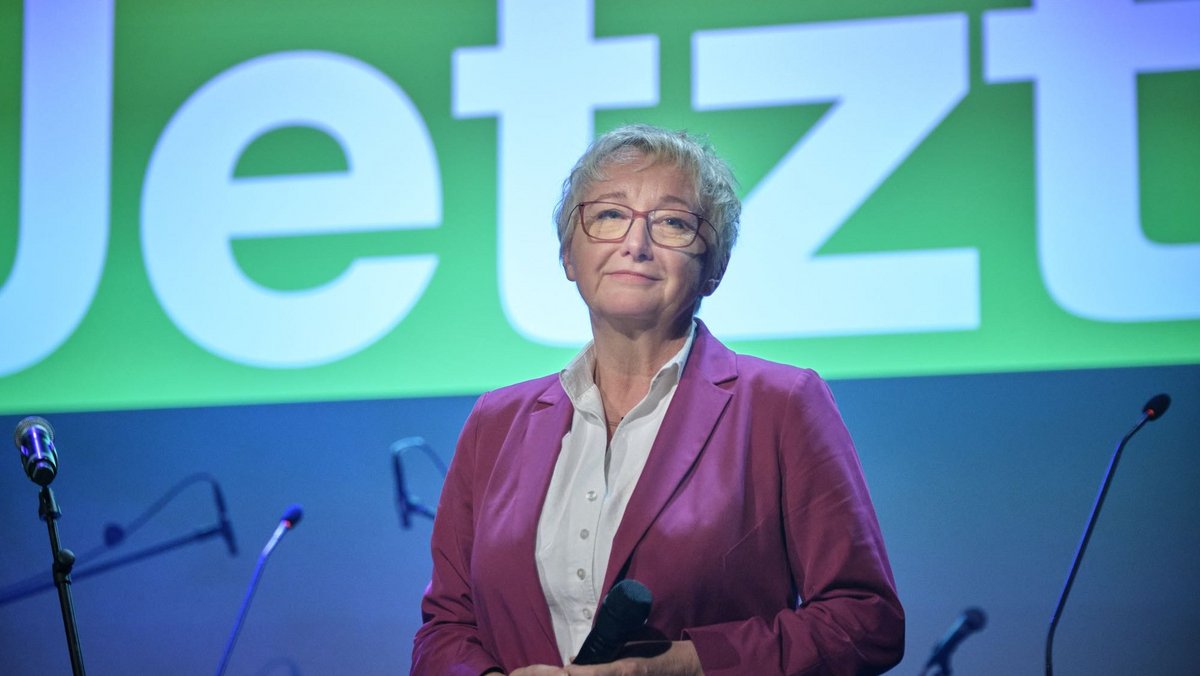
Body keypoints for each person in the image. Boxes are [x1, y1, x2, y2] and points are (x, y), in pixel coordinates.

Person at [412, 124, 904, 675]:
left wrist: (680, 666)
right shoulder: (496, 422)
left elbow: (865, 623)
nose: (635, 243)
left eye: (672, 222)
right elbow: (447, 629)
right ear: (569, 256)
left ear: (713, 268)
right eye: (608, 215)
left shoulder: (780, 404)